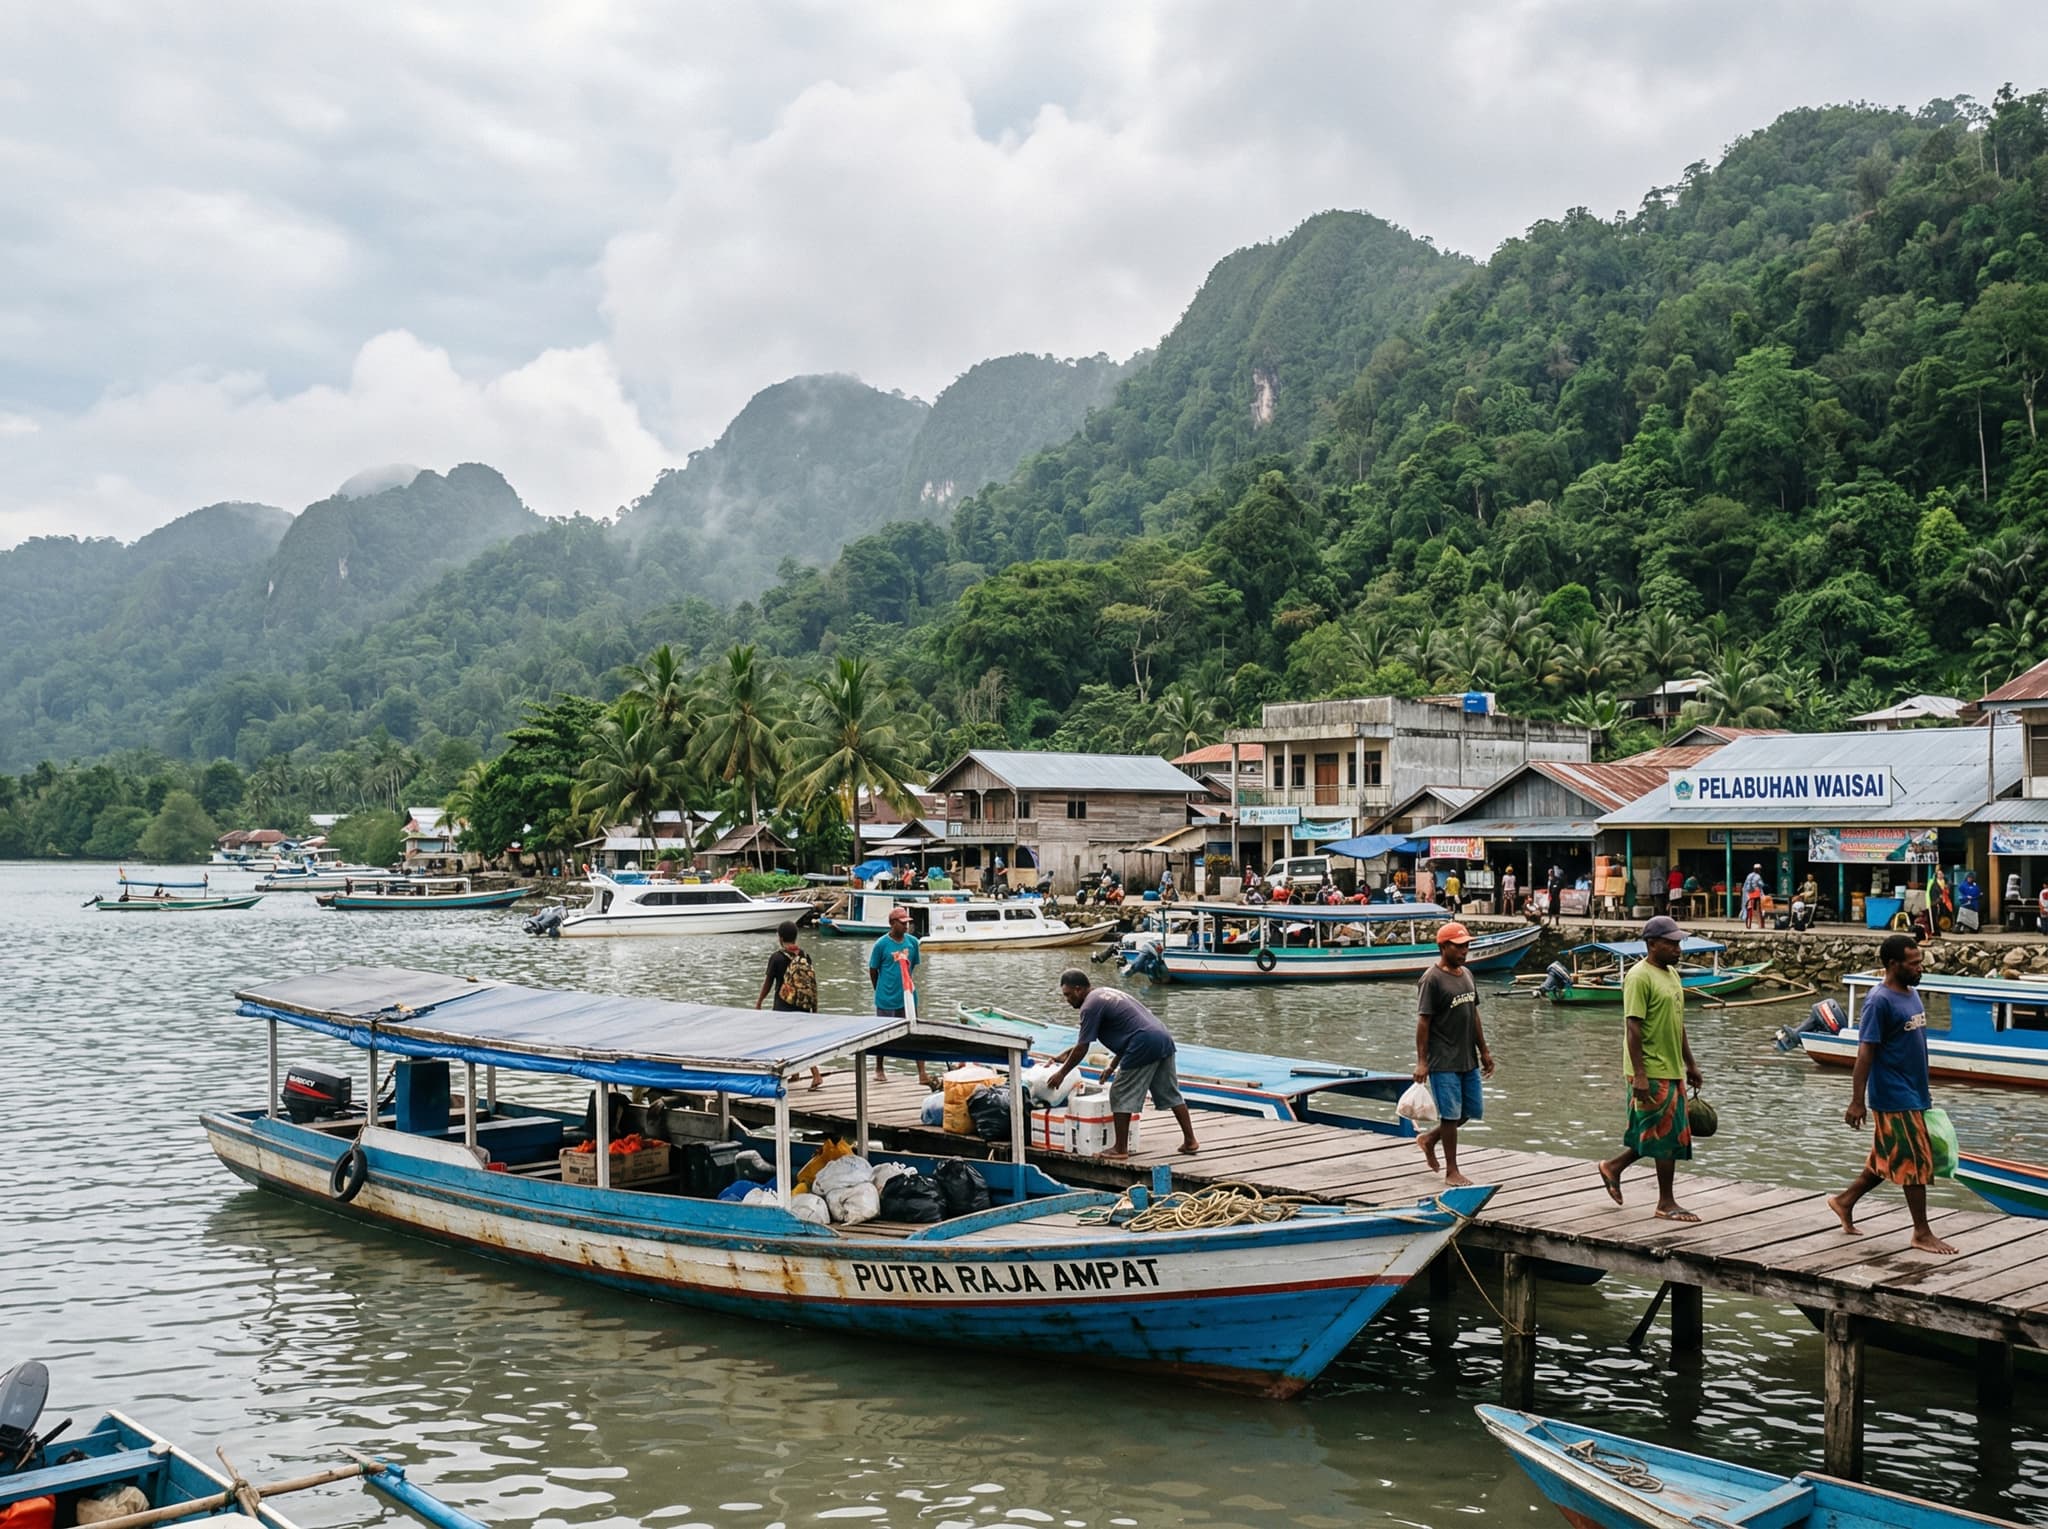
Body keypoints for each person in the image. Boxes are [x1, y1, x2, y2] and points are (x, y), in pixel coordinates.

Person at [1826, 935, 1959, 1255]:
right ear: (1892, 965)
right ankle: (1922, 1233)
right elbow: (1865, 1053)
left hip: (1915, 1091)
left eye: (1919, 962)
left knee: (1890, 1157)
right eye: (1913, 964)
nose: (1919, 968)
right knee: (1915, 1160)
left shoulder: (1912, 995)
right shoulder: (1878, 1001)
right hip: (1893, 1094)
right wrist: (1857, 1100)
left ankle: (1844, 1201)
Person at [1597, 914, 1705, 1222]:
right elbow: (1633, 1027)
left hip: (1672, 1067)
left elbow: (1678, 1022)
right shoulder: (1638, 976)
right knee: (1665, 1136)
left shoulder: (1672, 975)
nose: (1678, 948)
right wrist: (1640, 1074)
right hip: (1650, 1068)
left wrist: (1691, 1063)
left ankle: (1613, 1167)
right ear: (1652, 944)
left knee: (1666, 1133)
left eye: (1678, 943)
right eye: (1671, 943)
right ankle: (1665, 1202)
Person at [1046, 970, 1198, 1158]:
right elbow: (1126, 1033)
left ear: (1078, 989)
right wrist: (1111, 1066)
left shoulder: (1089, 1006)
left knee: (1119, 1092)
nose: (1067, 1000)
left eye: (1068, 995)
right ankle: (1190, 1141)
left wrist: (1062, 1073)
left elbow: (1082, 1047)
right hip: (1161, 1037)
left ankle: (1120, 1148)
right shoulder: (1104, 994)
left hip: (1142, 1042)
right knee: (1170, 1092)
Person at [1414, 921, 1495, 1188]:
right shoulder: (1432, 979)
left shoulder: (1467, 975)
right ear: (1443, 947)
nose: (1464, 950)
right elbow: (1423, 1022)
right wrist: (1422, 1061)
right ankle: (1452, 1171)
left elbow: (1474, 1014)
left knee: (1469, 1110)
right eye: (1459, 946)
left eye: (1467, 945)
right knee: (1449, 1115)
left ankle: (1429, 1139)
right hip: (1443, 1059)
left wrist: (1484, 1050)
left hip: (1467, 1056)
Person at [867, 907, 933, 1088]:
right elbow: (873, 969)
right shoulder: (881, 944)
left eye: (907, 923)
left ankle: (922, 1072)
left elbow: (913, 966)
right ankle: (879, 1068)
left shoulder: (912, 943)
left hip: (908, 994)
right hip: (886, 996)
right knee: (882, 1034)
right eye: (902, 923)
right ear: (892, 924)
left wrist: (907, 986)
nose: (906, 926)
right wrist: (879, 990)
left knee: (915, 1032)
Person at [756, 920, 824, 1090]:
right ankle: (795, 1073)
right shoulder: (804, 955)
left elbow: (768, 982)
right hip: (802, 1005)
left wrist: (759, 1002)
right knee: (802, 1038)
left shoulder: (777, 957)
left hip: (783, 1005)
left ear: (780, 938)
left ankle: (816, 1074)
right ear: (796, 936)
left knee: (783, 1039)